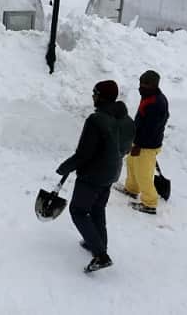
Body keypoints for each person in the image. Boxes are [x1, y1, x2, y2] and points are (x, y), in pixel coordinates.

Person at [56, 80, 135, 272]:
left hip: (93, 175)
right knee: (98, 209)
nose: (93, 96)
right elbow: (125, 148)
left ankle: (101, 255)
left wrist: (65, 167)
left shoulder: (96, 121)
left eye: (95, 93)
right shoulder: (128, 121)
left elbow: (84, 154)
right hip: (112, 172)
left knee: (79, 211)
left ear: (101, 96)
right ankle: (98, 244)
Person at [119, 69, 169, 215]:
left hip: (147, 145)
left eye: (145, 85)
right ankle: (132, 189)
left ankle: (150, 203)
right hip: (140, 140)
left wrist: (139, 145)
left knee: (143, 174)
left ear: (154, 85)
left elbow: (151, 129)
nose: (141, 87)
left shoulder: (157, 103)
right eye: (140, 83)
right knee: (131, 163)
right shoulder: (149, 95)